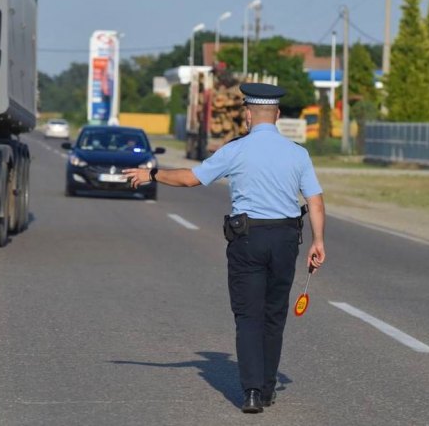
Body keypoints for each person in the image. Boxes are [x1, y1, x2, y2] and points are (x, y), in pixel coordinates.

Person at [123, 82, 326, 414]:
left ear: (247, 115)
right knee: (273, 315)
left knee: (248, 315)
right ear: (276, 115)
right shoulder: (298, 154)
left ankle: (250, 393)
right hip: (286, 239)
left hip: (248, 239)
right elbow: (315, 201)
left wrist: (153, 173)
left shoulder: (235, 151)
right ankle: (269, 387)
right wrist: (318, 241)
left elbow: (191, 178)